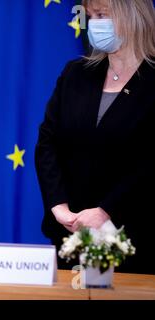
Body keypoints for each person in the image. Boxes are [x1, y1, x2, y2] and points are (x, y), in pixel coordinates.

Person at [35, 0, 155, 274]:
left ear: (132, 16)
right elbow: (47, 143)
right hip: (71, 232)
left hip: (136, 239)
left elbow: (150, 161)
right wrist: (59, 206)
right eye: (91, 16)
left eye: (103, 15)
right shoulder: (76, 74)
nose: (94, 24)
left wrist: (105, 210)